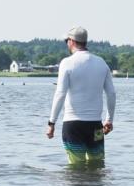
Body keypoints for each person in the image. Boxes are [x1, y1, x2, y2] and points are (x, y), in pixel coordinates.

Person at [46, 26, 115, 167]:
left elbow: (60, 93)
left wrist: (51, 123)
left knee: (75, 168)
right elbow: (112, 94)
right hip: (95, 125)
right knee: (97, 165)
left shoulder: (67, 63)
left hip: (73, 125)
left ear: (71, 41)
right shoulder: (101, 63)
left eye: (67, 40)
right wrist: (109, 120)